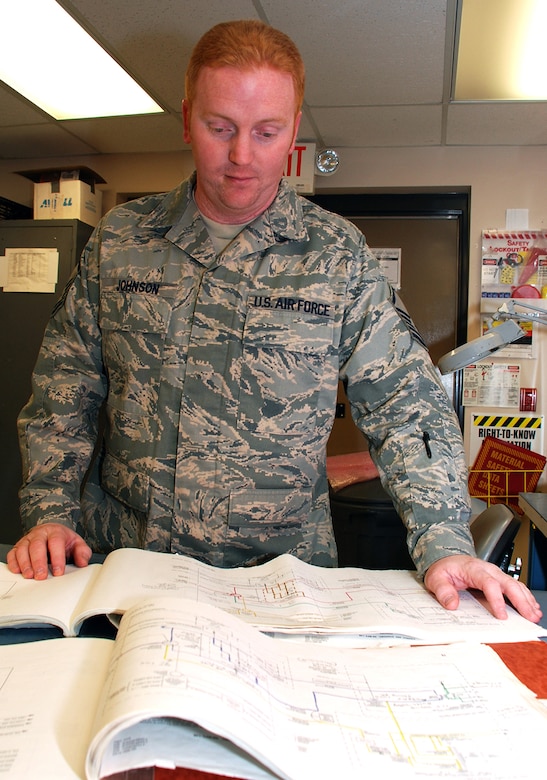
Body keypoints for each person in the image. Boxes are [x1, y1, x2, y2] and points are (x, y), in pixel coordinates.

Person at [7, 20, 541, 624]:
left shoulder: (336, 256)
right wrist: (50, 510)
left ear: (293, 129)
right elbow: (63, 390)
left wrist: (443, 542)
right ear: (187, 120)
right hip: (128, 570)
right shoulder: (121, 243)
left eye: (267, 132)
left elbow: (406, 407)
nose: (242, 156)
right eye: (220, 128)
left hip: (281, 586)